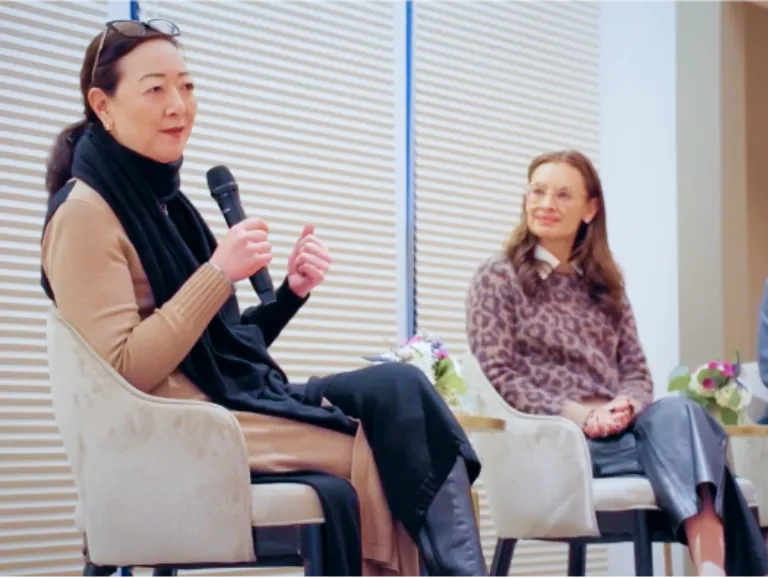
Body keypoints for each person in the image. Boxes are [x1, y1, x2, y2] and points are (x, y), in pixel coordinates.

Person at [40, 20, 485, 578]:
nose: (179, 104)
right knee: (388, 445)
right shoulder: (85, 214)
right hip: (180, 427)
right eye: (155, 89)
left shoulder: (165, 205)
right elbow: (125, 369)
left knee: (400, 391)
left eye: (187, 85)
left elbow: (216, 345)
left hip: (221, 400)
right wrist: (219, 273)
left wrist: (290, 295)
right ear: (102, 105)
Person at [465, 150, 768, 578]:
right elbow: (499, 377)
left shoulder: (606, 283)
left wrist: (625, 404)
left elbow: (636, 372)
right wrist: (581, 415)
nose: (546, 204)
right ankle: (718, 566)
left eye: (563, 194)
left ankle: (712, 568)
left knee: (682, 412)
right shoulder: (497, 276)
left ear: (590, 208)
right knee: (702, 446)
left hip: (622, 432)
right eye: (537, 191)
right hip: (558, 438)